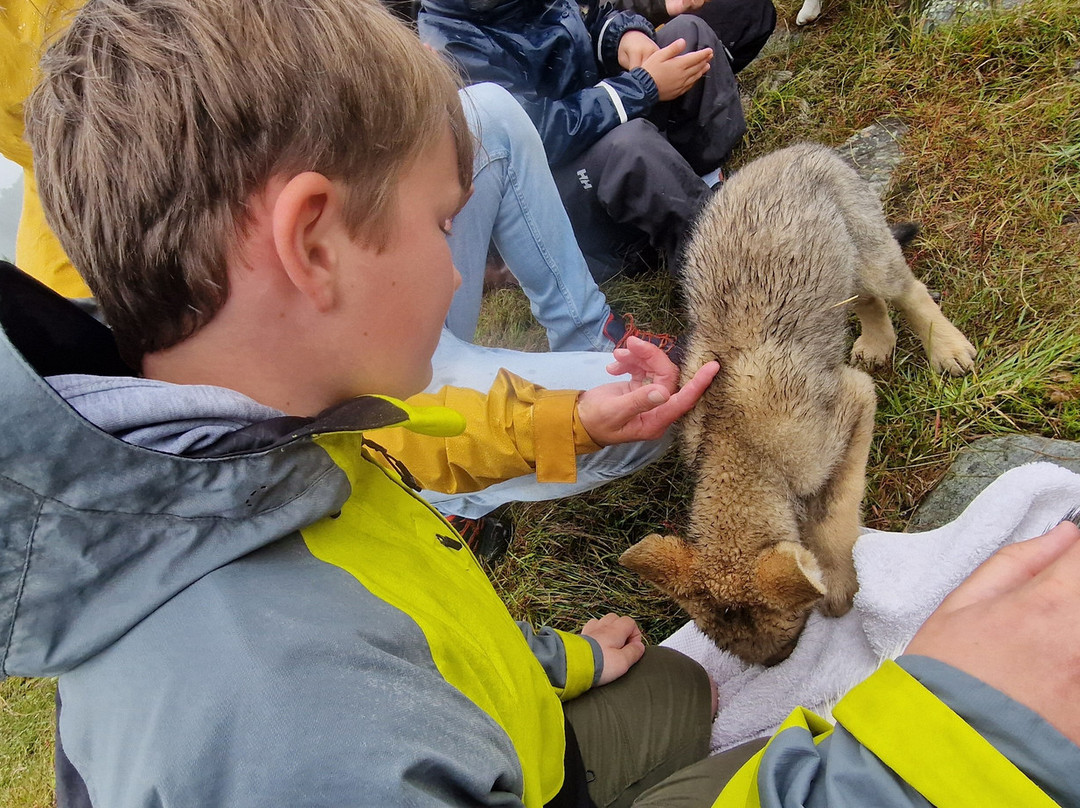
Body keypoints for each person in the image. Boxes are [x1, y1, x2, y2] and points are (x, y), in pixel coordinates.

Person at [7, 0, 1080, 806]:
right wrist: (948, 739)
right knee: (833, 740)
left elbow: (408, 536)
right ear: (314, 242)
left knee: (698, 690)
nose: (460, 263)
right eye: (442, 225)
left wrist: (561, 639)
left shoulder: (243, 428)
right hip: (504, 772)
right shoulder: (289, 726)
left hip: (520, 726)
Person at [418, 0, 749, 281]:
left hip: (598, 115)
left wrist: (623, 35)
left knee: (689, 36)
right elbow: (532, 133)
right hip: (555, 191)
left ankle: (704, 182)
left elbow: (594, 13)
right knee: (630, 149)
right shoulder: (450, 42)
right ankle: (713, 269)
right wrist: (640, 88)